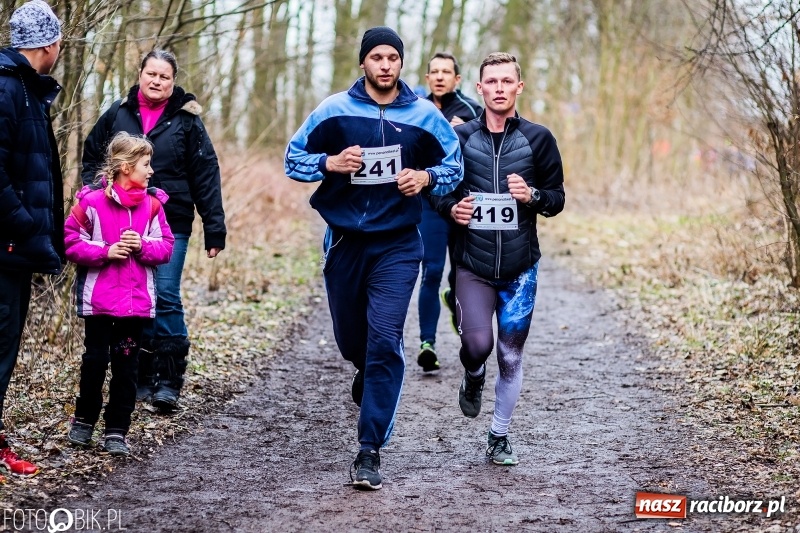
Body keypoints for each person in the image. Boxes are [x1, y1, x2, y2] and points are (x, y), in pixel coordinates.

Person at [285, 27, 462, 490]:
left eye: (393, 58)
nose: (385, 65)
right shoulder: (333, 109)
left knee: (385, 340)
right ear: (363, 62)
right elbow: (292, 158)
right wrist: (330, 164)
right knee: (352, 342)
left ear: (402, 64)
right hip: (345, 241)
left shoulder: (424, 114)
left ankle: (369, 449)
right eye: (377, 57)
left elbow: (454, 166)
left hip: (399, 244)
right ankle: (364, 367)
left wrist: (425, 178)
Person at [432, 52, 565, 466]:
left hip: (521, 268)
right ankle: (473, 377)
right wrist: (451, 209)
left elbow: (557, 198)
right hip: (472, 263)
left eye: (508, 81)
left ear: (519, 87)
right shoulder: (459, 137)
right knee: (476, 345)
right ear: (479, 88)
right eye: (492, 82)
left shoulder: (539, 138)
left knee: (510, 354)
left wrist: (534, 196)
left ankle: (499, 435)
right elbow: (437, 189)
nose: (500, 88)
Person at [81, 49, 226, 412]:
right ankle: (140, 374)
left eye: (164, 76)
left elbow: (206, 174)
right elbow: (91, 155)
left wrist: (214, 227)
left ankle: (168, 378)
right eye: (151, 74)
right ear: (140, 74)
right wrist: (95, 194)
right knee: (134, 296)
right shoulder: (118, 113)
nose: (157, 81)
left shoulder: (187, 121)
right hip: (119, 220)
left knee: (164, 293)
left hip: (171, 220)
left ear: (173, 81)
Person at [65, 132, 174, 456]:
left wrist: (142, 245)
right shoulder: (90, 202)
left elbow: (166, 245)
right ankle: (83, 422)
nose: (151, 170)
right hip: (98, 302)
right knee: (95, 362)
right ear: (126, 167)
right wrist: (106, 251)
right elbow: (71, 240)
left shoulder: (153, 205)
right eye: (146, 163)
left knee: (126, 368)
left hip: (134, 304)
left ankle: (116, 430)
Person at [0, 0, 64, 479]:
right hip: (6, 247)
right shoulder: (7, 89)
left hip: (17, 251)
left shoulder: (26, 89)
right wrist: (25, 225)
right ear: (48, 44)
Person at [416, 52, 483, 372]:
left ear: (457, 79)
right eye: (434, 72)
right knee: (430, 270)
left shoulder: (473, 111)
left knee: (460, 276)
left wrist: (468, 130)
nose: (440, 77)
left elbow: (491, 148)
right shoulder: (416, 110)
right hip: (429, 204)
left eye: (446, 72)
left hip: (462, 204)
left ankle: (454, 300)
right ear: (427, 78)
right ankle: (427, 343)